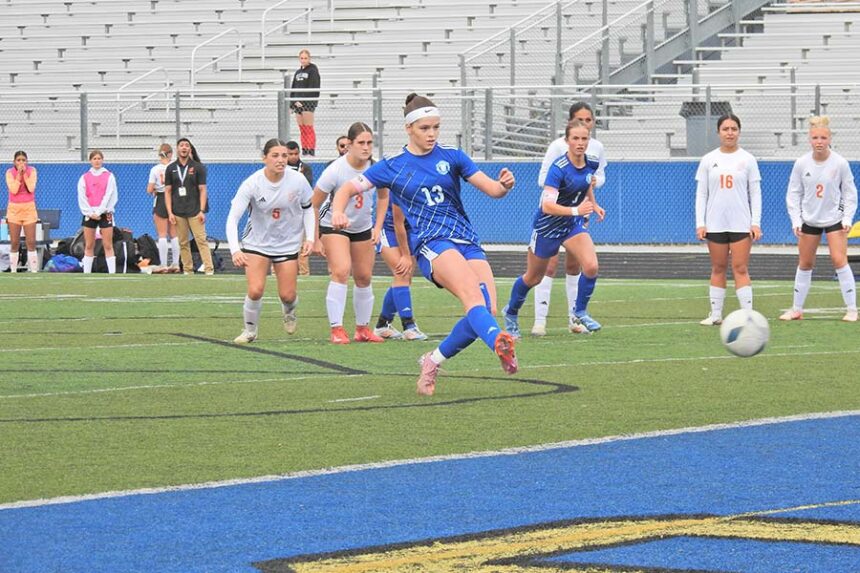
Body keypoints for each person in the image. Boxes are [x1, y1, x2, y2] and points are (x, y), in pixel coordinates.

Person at [330, 93, 518, 396]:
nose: (431, 134)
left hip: (466, 239)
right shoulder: (393, 166)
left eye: (436, 127)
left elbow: (492, 190)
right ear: (409, 128)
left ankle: (432, 360)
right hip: (432, 242)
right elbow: (348, 188)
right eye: (424, 128)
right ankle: (499, 341)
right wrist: (338, 210)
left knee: (486, 310)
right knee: (473, 299)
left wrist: (504, 186)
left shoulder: (452, 156)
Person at [502, 119, 602, 338]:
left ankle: (580, 312)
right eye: (575, 138)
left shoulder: (591, 162)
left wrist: (593, 204)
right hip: (547, 227)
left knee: (591, 266)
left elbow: (586, 183)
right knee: (533, 278)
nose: (580, 143)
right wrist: (577, 210)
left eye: (584, 138)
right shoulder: (558, 169)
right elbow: (547, 206)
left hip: (571, 226)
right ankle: (511, 312)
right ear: (567, 141)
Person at [226, 139, 315, 344]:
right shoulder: (252, 183)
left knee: (288, 295)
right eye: (275, 155)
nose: (281, 160)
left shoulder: (298, 181)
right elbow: (233, 218)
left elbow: (309, 209)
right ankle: (250, 331)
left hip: (287, 243)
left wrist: (310, 238)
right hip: (257, 244)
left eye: (284, 156)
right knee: (255, 289)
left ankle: (289, 311)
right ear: (264, 158)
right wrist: (235, 250)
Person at [531, 102, 607, 335]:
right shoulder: (558, 147)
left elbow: (599, 176)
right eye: (580, 120)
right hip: (556, 213)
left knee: (576, 265)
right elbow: (543, 178)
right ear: (570, 126)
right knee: (549, 265)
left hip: (578, 212)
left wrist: (592, 192)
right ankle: (540, 320)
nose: (584, 125)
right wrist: (569, 182)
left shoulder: (596, 148)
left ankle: (575, 319)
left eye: (588, 120)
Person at [312, 122, 388, 344]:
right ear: (350, 144)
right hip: (333, 227)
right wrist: (314, 237)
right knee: (342, 270)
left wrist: (378, 227)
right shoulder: (335, 170)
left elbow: (383, 197)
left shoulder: (376, 168)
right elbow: (313, 204)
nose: (366, 147)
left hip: (362, 227)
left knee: (364, 276)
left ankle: (362, 329)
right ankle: (337, 329)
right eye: (361, 143)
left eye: (369, 143)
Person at [781, 116, 857, 322]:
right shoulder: (801, 163)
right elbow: (793, 193)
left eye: (823, 137)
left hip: (834, 220)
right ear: (809, 139)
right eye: (815, 137)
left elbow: (850, 193)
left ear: (830, 138)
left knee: (839, 260)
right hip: (809, 221)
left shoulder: (840, 163)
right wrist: (796, 220)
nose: (819, 141)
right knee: (805, 263)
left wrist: (847, 217)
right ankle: (797, 309)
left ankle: (852, 309)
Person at [695, 113, 762, 325]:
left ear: (739, 132)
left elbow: (756, 192)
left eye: (734, 129)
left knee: (740, 268)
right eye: (726, 129)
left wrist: (755, 222)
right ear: (718, 132)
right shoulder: (708, 159)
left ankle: (748, 315)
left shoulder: (748, 159)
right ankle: (715, 315)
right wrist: (701, 222)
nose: (730, 133)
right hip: (715, 223)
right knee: (718, 267)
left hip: (741, 222)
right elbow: (701, 193)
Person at [372, 201, 429, 341]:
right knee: (402, 273)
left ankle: (382, 325)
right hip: (389, 228)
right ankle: (409, 326)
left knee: (405, 277)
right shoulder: (401, 186)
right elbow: (398, 224)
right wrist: (405, 254)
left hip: (409, 230)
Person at [164, 137, 214, 275]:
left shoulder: (198, 167)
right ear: (177, 149)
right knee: (183, 242)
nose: (184, 147)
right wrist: (170, 213)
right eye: (181, 145)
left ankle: (209, 269)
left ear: (190, 149)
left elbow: (203, 189)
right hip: (178, 211)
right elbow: (167, 191)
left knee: (201, 240)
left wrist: (202, 210)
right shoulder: (171, 168)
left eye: (187, 145)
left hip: (195, 211)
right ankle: (187, 269)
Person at [77, 149, 118, 274]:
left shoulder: (109, 176)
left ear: (102, 160)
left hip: (105, 213)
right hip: (90, 214)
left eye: (99, 158)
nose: (97, 161)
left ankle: (112, 273)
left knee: (108, 244)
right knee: (89, 245)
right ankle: (87, 273)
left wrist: (100, 211)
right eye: (94, 159)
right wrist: (90, 213)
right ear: (90, 161)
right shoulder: (84, 177)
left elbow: (110, 195)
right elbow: (82, 196)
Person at [146, 143, 180, 272]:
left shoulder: (155, 169)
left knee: (162, 234)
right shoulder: (175, 167)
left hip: (160, 199)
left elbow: (149, 189)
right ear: (170, 154)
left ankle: (164, 264)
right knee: (174, 234)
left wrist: (155, 188)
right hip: (175, 200)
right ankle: (176, 263)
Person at [4, 150, 39, 273]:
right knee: (14, 242)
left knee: (31, 241)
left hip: (29, 208)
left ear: (27, 161)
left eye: (23, 160)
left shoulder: (32, 171)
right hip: (14, 209)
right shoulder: (9, 172)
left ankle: (33, 270)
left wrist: (24, 175)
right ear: (14, 162)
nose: (21, 163)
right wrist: (18, 175)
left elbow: (31, 187)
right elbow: (13, 189)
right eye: (18, 160)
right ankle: (13, 271)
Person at [286, 140, 314, 276]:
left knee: (302, 245)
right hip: (285, 212)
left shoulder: (305, 168)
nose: (293, 157)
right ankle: (277, 272)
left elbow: (307, 187)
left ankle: (304, 273)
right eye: (290, 154)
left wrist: (300, 176)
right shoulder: (281, 167)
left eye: (296, 153)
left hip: (301, 211)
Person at [289, 49, 321, 156]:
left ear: (309, 59)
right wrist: (292, 104)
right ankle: (304, 149)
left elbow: (314, 87)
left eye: (305, 58)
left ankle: (311, 150)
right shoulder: (298, 72)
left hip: (308, 103)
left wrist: (303, 101)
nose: (303, 60)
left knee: (308, 128)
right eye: (301, 58)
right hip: (297, 103)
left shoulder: (313, 70)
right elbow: (293, 88)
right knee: (302, 128)